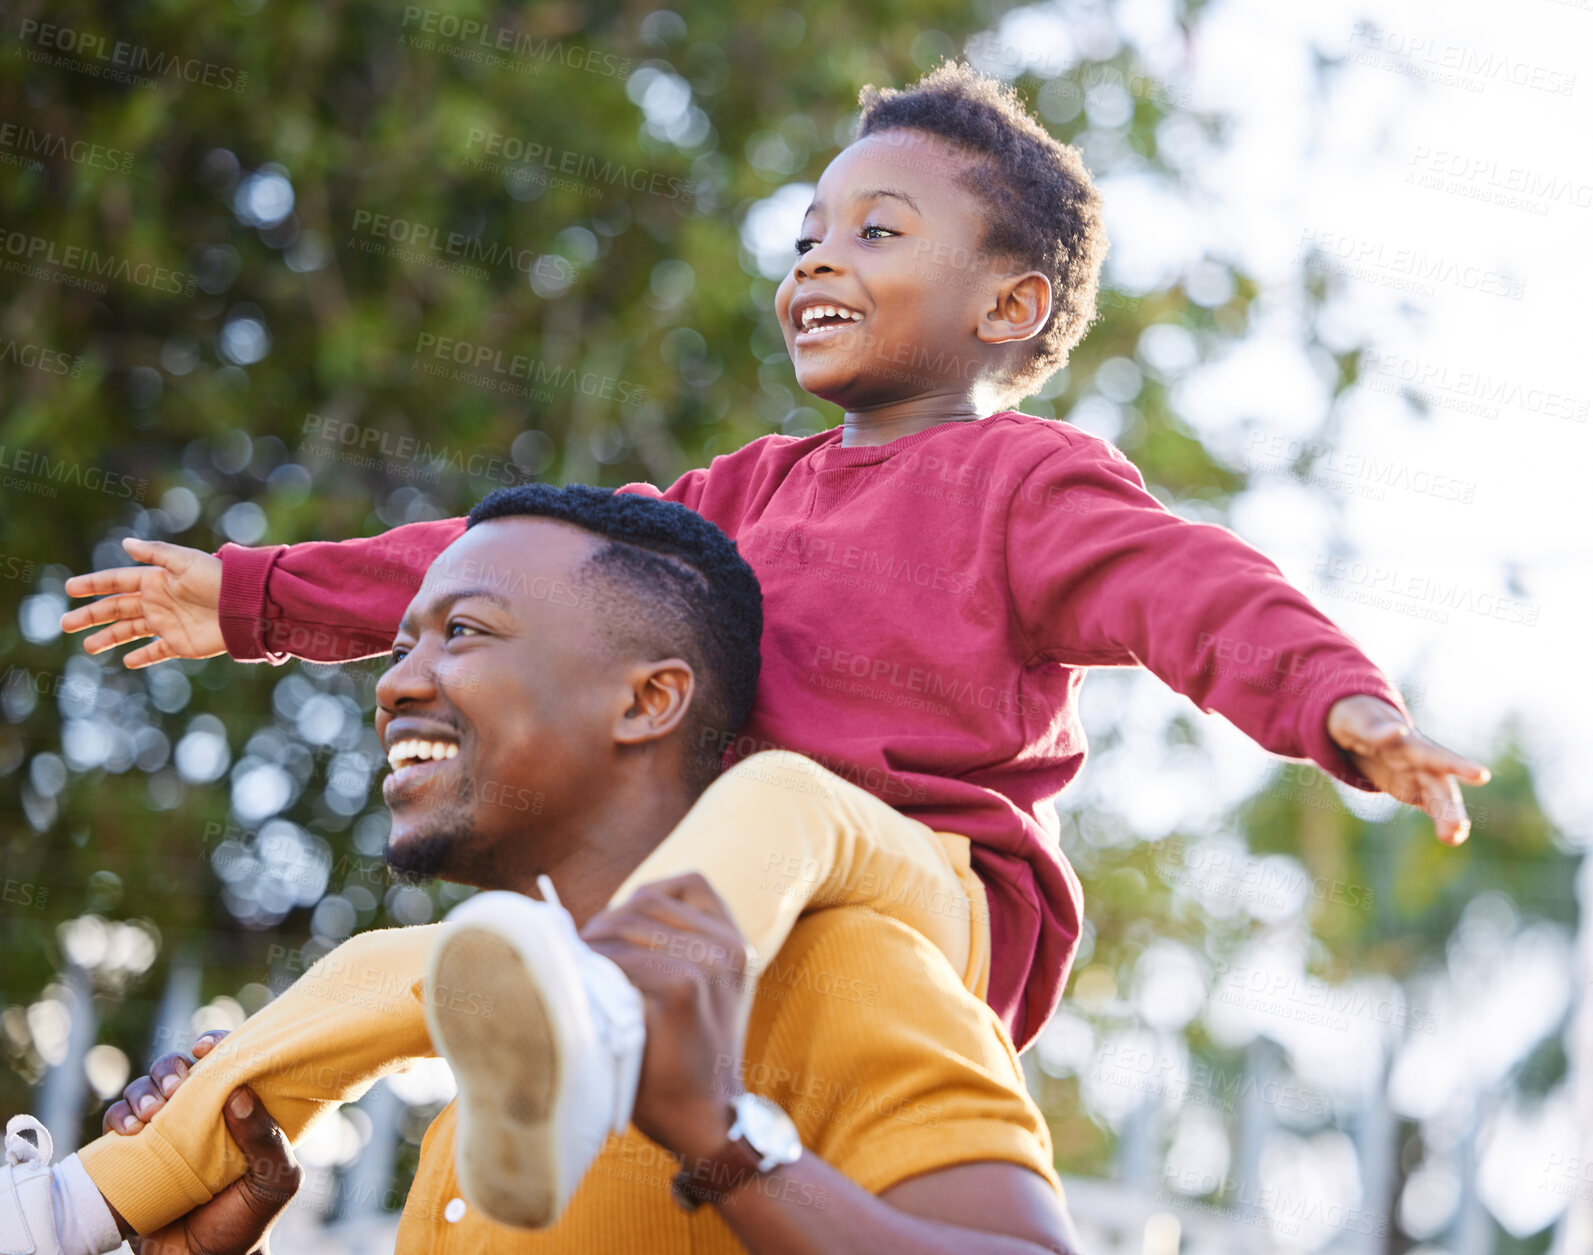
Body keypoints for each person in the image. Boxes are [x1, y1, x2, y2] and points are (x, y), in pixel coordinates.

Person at [61, 60, 1490, 1060]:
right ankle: (103, 1192)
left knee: (788, 798)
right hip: (719, 900)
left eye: (875, 231)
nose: (813, 259)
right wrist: (255, 598)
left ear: (1011, 299)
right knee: (378, 970)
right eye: (805, 233)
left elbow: (1192, 587)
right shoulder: (736, 493)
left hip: (928, 887)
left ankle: (604, 1017)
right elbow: (516, 560)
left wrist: (1339, 703)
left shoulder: (1023, 479)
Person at [8, 486, 1083, 1254]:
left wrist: (718, 1135)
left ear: (647, 700)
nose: (398, 684)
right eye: (402, 644)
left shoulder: (850, 968)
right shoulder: (499, 1065)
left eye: (465, 632)